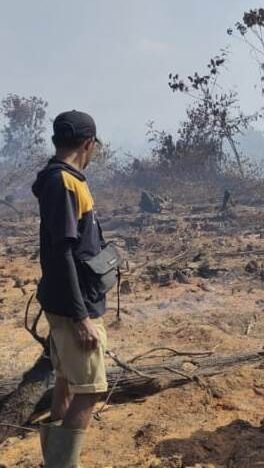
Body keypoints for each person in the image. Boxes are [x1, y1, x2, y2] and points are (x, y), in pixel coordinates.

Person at [32, 110, 109, 467]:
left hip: (65, 300)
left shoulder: (65, 180)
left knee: (64, 382)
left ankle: (57, 462)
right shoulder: (63, 184)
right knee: (91, 391)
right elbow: (62, 252)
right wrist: (81, 317)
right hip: (72, 307)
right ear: (88, 144)